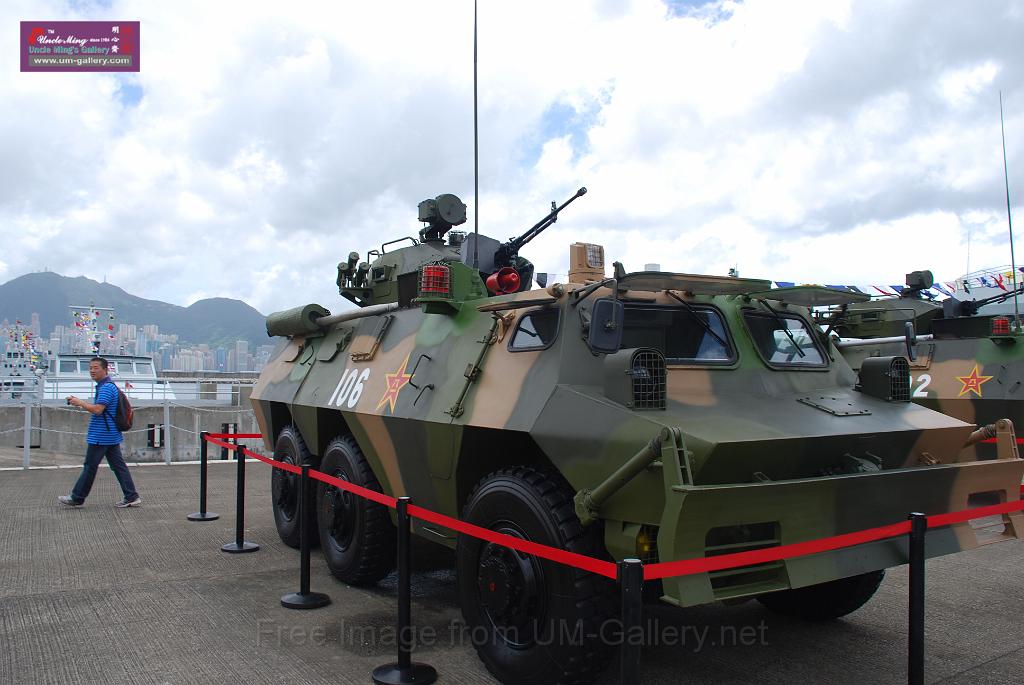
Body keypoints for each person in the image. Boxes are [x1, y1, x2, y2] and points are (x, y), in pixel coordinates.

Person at [58, 357, 142, 508]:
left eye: (96, 368)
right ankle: (131, 496)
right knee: (118, 466)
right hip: (110, 435)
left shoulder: (106, 388)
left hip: (101, 435)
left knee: (90, 467)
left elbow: (98, 410)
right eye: (90, 368)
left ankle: (77, 497)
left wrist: (80, 402)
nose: (92, 371)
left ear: (105, 369)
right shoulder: (107, 386)